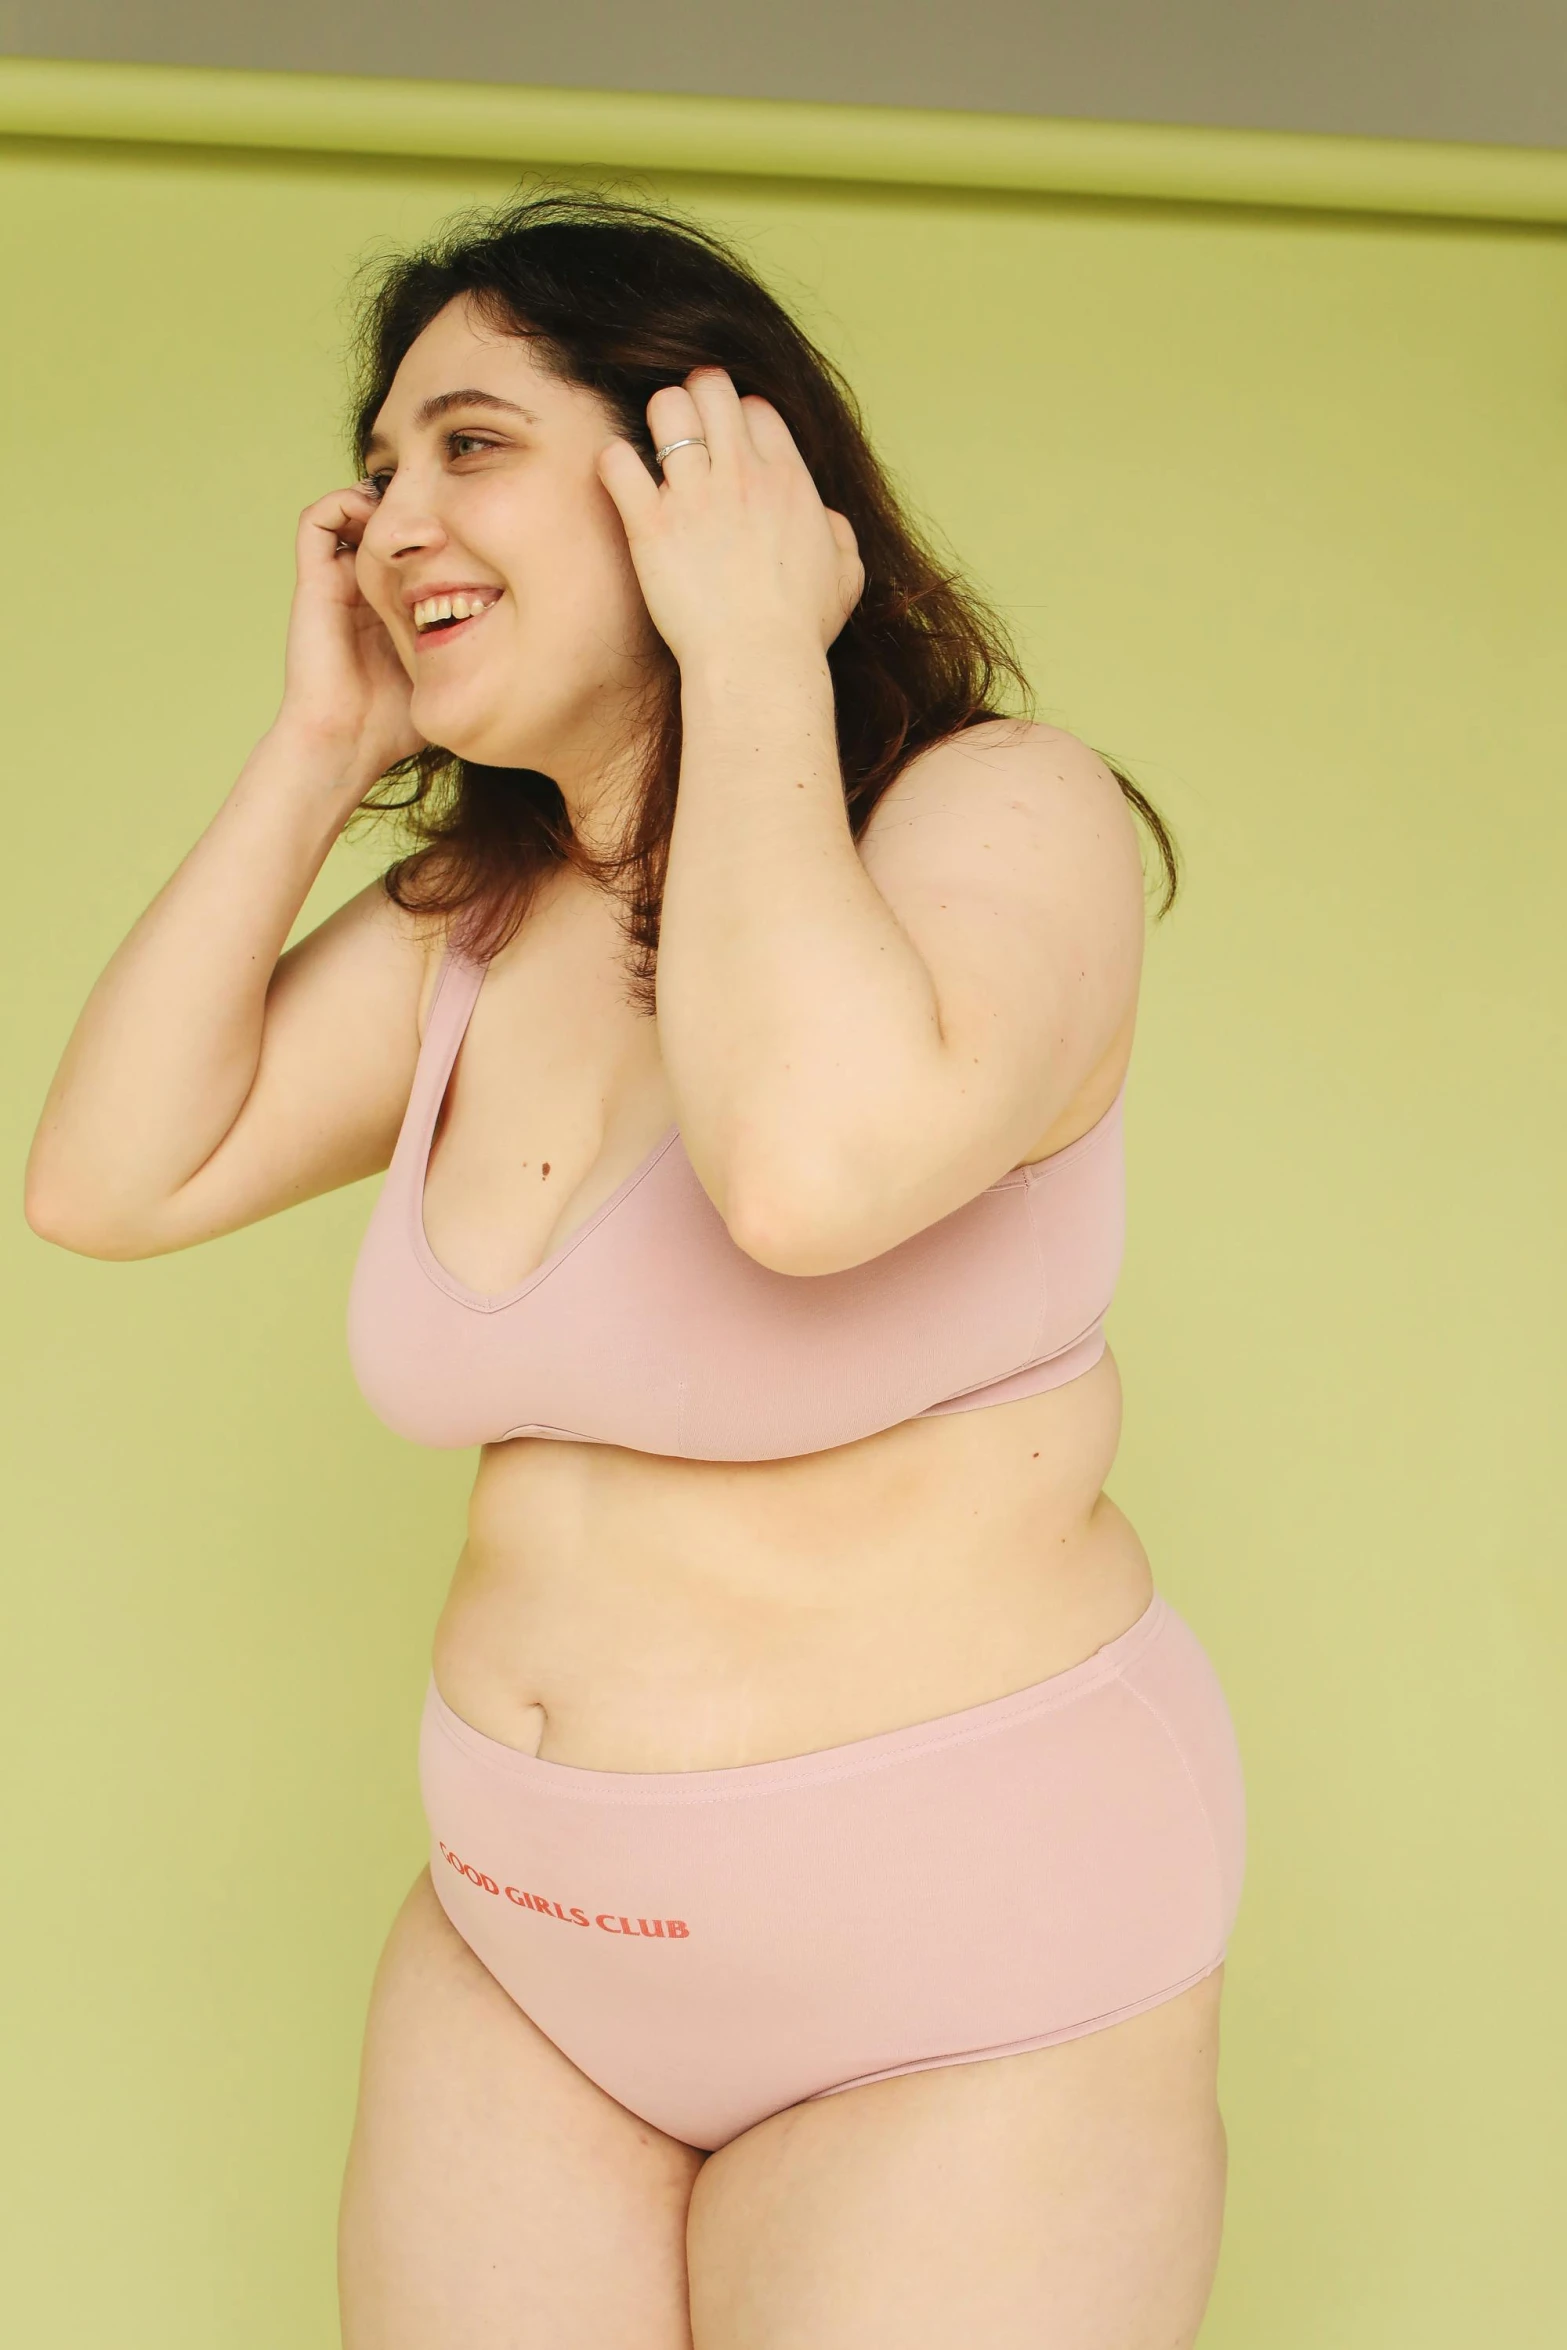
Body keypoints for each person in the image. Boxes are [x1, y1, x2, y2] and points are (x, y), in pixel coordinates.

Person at [25, 191, 1245, 2349]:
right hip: (528, 1965)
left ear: (707, 469)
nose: (394, 511)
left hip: (955, 1977)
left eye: (471, 443)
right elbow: (111, 1176)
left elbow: (804, 1168)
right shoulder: (477, 924)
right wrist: (320, 754)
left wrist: (759, 655)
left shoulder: (998, 819)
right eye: (378, 463)